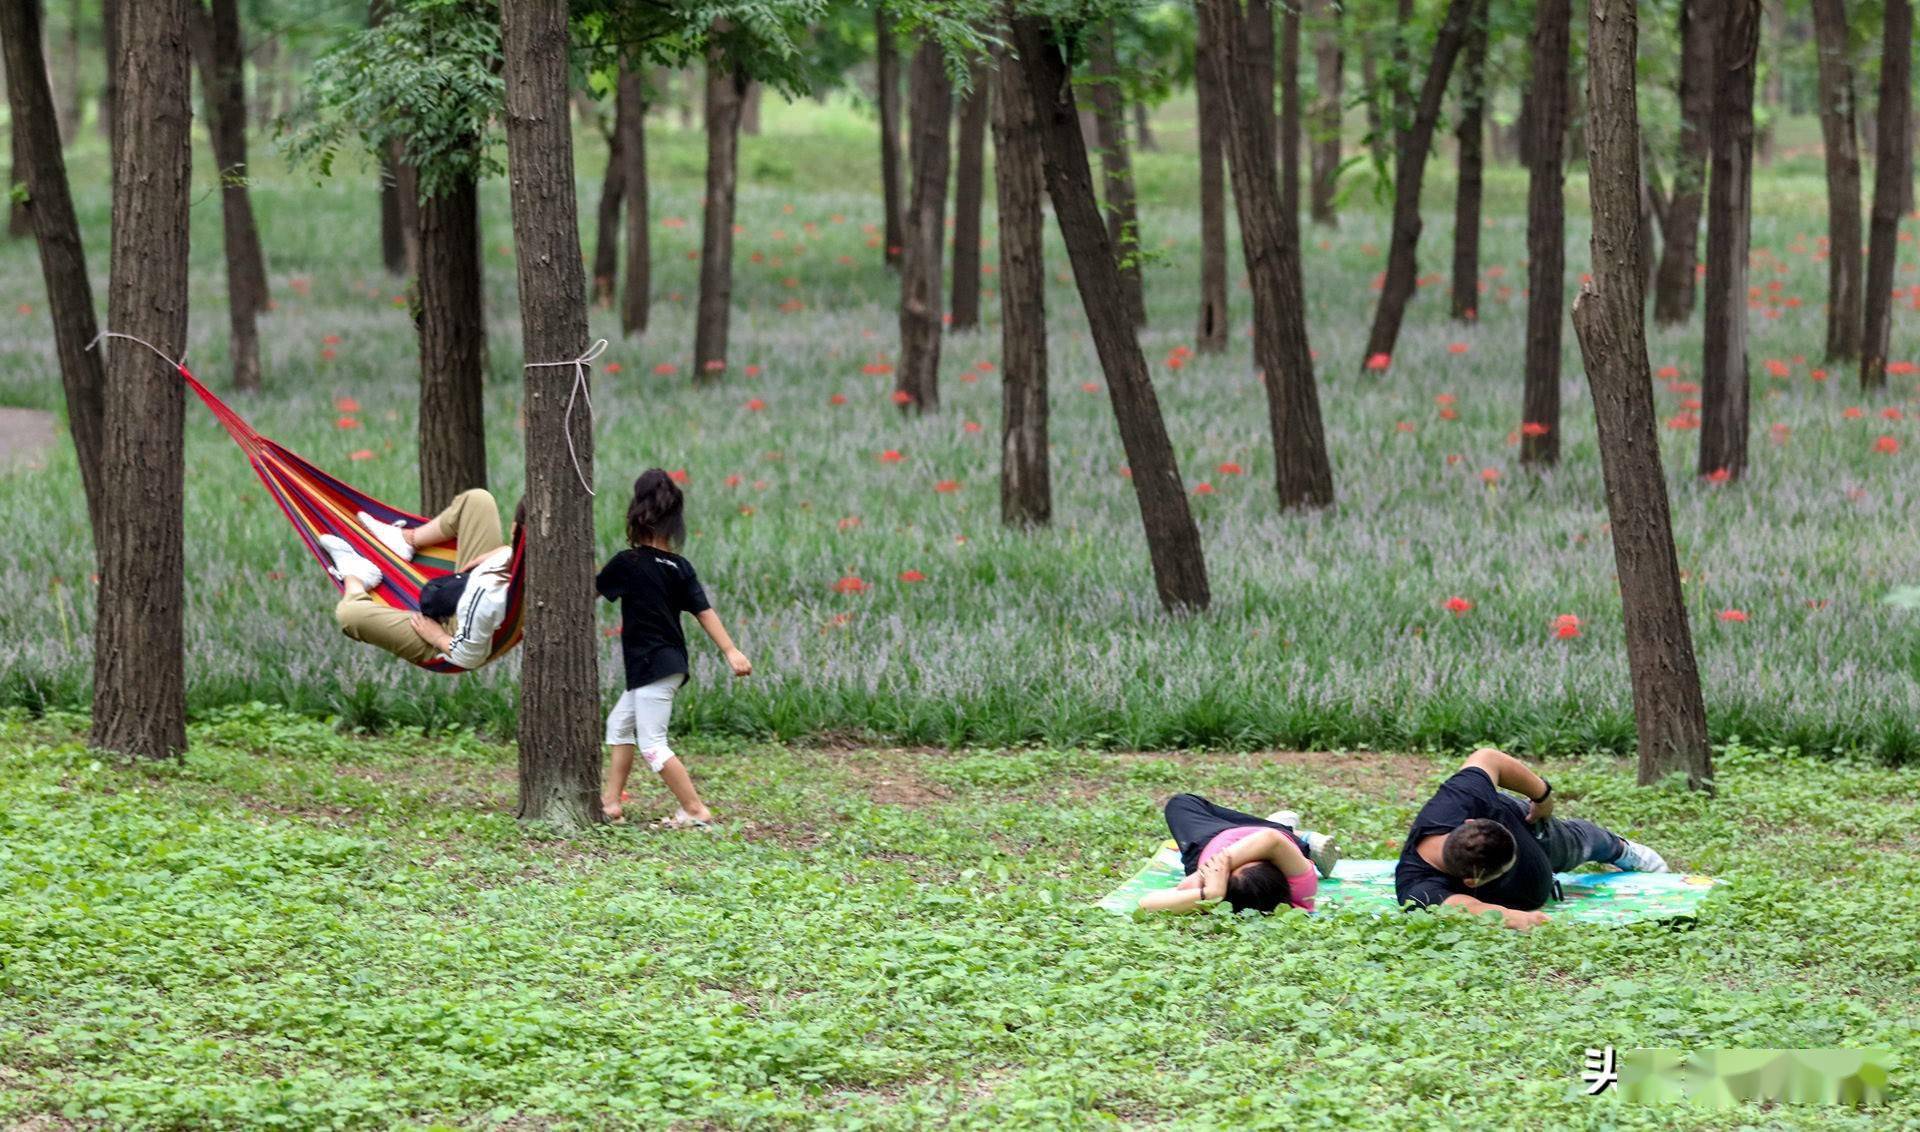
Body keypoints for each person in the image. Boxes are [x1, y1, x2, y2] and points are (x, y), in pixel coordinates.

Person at [595, 469, 752, 828]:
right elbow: (704, 612)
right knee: (620, 724)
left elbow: (586, 590)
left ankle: (695, 810)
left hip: (652, 666)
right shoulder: (679, 566)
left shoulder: (628, 563)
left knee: (652, 743)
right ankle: (610, 803)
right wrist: (731, 651)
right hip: (668, 663)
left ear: (635, 514)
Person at [1395, 747, 1669, 930]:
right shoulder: (1419, 888)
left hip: (1527, 822)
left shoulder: (1455, 804)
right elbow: (1472, 908)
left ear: (1470, 822)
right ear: (1472, 882)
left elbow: (1488, 757)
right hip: (1530, 884)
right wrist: (1526, 919)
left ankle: (1622, 849)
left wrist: (1543, 796)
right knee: (1557, 858)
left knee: (1576, 842)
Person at [317, 489, 515, 671]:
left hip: (454, 634)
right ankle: (406, 540)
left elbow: (468, 656)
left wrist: (438, 637)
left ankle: (357, 577)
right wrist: (505, 553)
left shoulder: (484, 593)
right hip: (479, 580)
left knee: (349, 615)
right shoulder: (523, 555)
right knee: (478, 501)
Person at [1136, 794, 1341, 915]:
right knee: (1280, 834)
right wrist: (1226, 860)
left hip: (1206, 841)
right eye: (1255, 859)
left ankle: (1281, 824)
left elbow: (1146, 904)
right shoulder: (1301, 892)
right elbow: (1270, 840)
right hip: (1263, 835)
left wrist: (1210, 893)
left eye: (1226, 871)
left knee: (1181, 803)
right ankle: (1303, 838)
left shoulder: (1213, 892)